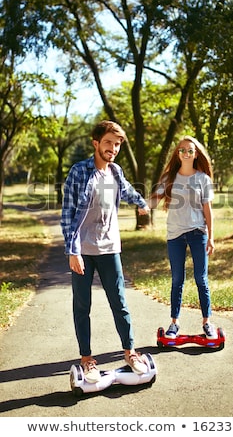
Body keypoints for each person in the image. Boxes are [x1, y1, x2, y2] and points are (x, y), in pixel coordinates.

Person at [61, 120, 150, 383]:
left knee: (119, 303)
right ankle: (87, 359)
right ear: (96, 143)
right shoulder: (79, 171)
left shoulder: (115, 171)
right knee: (82, 305)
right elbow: (67, 214)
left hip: (110, 247)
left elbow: (127, 190)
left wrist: (142, 203)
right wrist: (72, 251)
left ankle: (130, 352)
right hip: (83, 250)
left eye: (117, 144)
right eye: (108, 142)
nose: (113, 148)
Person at [148, 136, 218, 339]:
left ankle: (207, 323)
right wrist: (143, 205)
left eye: (190, 150)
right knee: (177, 279)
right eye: (182, 150)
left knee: (201, 279)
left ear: (196, 154)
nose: (186, 153)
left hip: (198, 233)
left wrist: (211, 238)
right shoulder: (169, 178)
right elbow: (155, 199)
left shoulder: (203, 179)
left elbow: (208, 209)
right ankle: (174, 323)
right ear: (177, 155)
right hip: (175, 234)